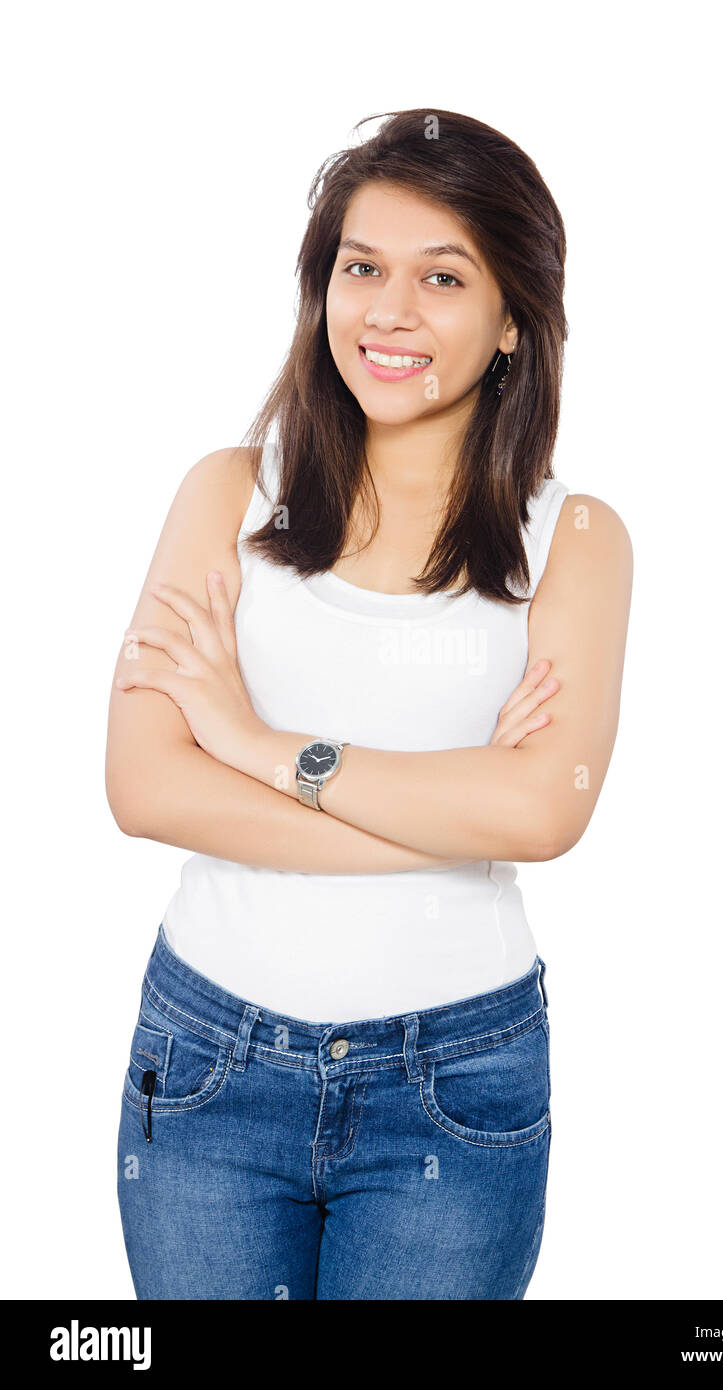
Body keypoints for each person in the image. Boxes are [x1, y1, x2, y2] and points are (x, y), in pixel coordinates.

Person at [106, 108, 633, 1300]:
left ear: (510, 321)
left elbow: (543, 815)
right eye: (360, 268)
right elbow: (142, 786)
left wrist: (249, 745)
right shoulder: (227, 494)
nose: (387, 311)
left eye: (440, 277)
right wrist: (442, 811)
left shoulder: (576, 542)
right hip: (206, 1068)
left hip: (453, 1079)